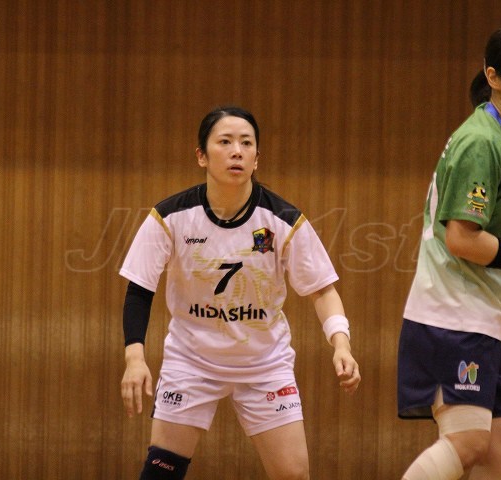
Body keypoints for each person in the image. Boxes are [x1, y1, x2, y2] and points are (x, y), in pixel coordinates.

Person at [119, 106, 361, 480]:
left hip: (264, 364)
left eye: (246, 144)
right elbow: (139, 290)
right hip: (192, 360)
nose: (237, 151)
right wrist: (135, 358)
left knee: (294, 476)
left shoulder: (282, 220)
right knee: (162, 471)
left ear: (256, 159)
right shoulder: (170, 217)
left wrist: (341, 344)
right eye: (225, 142)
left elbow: (322, 289)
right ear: (201, 155)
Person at [396, 24, 501, 480]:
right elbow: (462, 238)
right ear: (494, 76)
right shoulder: (482, 140)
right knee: (468, 443)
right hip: (452, 319)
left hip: (482, 317)